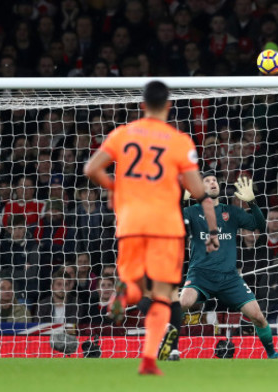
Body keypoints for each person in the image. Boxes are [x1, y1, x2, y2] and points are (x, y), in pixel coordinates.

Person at [83, 80, 220, 376]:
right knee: (163, 292)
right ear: (168, 106)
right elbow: (199, 191)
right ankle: (148, 360)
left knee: (135, 285)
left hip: (131, 223)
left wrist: (115, 186)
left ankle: (124, 296)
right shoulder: (179, 141)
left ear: (142, 105)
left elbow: (91, 169)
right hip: (166, 226)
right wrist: (211, 231)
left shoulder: (122, 135)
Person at [168, 173, 278, 359]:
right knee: (181, 303)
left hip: (229, 278)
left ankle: (272, 354)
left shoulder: (230, 212)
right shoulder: (192, 211)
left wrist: (253, 203)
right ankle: (166, 346)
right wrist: (181, 203)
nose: (212, 183)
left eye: (214, 180)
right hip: (200, 275)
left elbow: (259, 224)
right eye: (206, 181)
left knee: (257, 316)